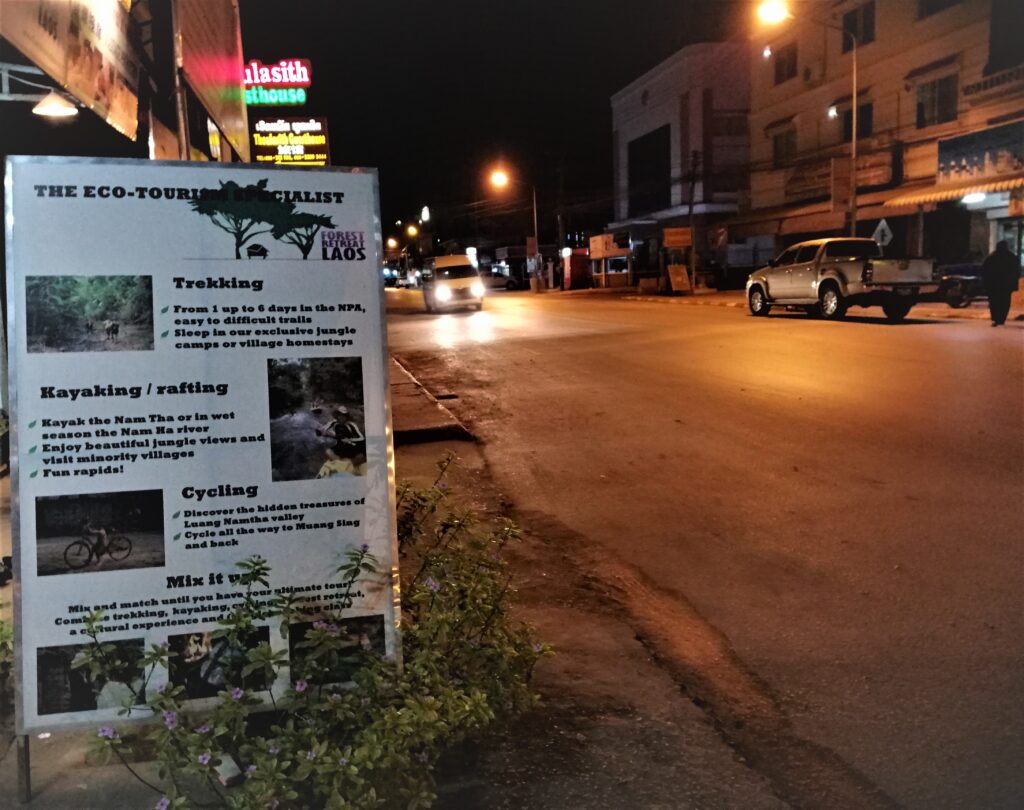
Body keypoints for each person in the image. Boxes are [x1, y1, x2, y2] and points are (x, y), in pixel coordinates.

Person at [980, 241, 1020, 326]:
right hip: (1006, 285)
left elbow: (984, 270)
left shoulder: (992, 257)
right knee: (1004, 302)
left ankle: (995, 317)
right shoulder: (1011, 257)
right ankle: (1001, 318)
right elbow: (1016, 271)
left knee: (994, 302)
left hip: (994, 285)